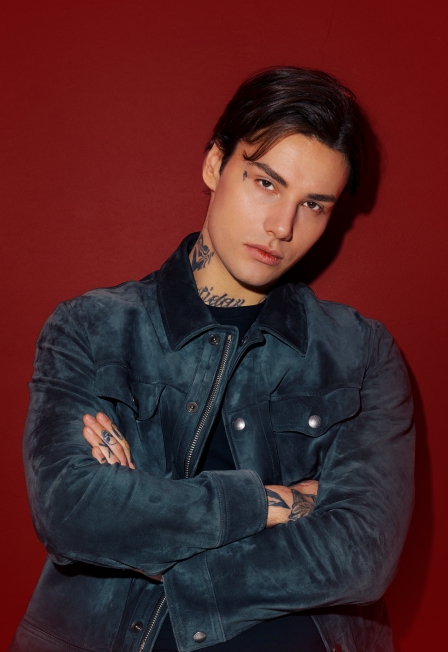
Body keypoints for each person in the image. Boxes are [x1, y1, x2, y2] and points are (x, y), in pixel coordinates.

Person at [9, 67, 414, 652]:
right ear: (214, 165)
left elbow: (361, 554)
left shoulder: (361, 352)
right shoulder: (90, 329)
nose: (282, 227)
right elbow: (72, 512)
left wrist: (146, 523)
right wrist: (276, 504)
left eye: (314, 205)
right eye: (266, 183)